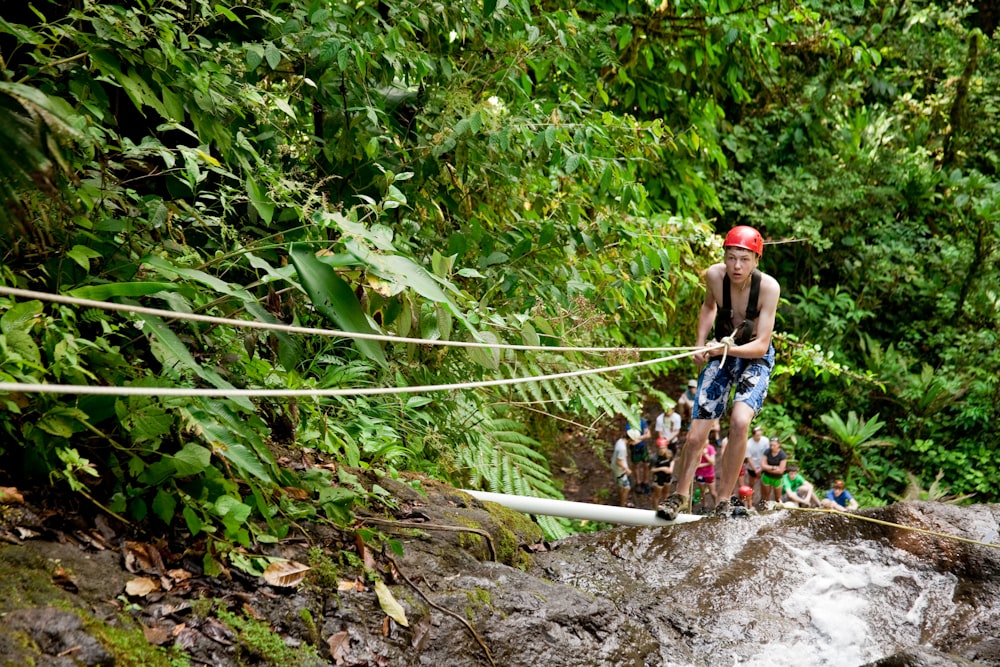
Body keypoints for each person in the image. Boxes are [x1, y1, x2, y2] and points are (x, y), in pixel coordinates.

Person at [658, 226, 780, 521]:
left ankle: (724, 499)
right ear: (724, 257)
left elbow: (762, 345)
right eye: (731, 257)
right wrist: (700, 345)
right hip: (719, 351)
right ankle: (680, 495)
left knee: (739, 422)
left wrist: (719, 350)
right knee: (698, 431)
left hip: (753, 357)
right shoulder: (714, 276)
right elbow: (708, 307)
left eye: (744, 259)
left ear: (756, 260)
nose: (737, 266)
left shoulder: (768, 288)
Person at [627, 414, 652, 495]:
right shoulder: (629, 424)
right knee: (636, 466)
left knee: (646, 465)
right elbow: (630, 440)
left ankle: (645, 482)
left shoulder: (642, 421)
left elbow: (648, 434)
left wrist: (638, 439)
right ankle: (638, 482)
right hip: (634, 449)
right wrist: (642, 437)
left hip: (643, 447)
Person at [611, 429, 637, 507]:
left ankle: (621, 499)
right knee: (626, 488)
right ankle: (622, 506)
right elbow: (618, 462)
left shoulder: (620, 441)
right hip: (620, 471)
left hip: (616, 469)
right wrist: (627, 469)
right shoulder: (622, 448)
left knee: (621, 486)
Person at [759, 436, 787, 505]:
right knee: (766, 495)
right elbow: (763, 465)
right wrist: (774, 468)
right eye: (771, 445)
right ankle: (765, 509)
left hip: (777, 478)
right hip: (767, 477)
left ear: (778, 445)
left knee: (777, 497)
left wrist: (768, 468)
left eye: (774, 445)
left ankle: (778, 510)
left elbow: (781, 470)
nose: (772, 447)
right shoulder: (767, 452)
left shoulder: (782, 455)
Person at [744, 425, 769, 499]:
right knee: (751, 483)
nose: (759, 437)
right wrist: (755, 470)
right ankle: (750, 498)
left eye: (760, 435)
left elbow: (766, 454)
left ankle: (763, 498)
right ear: (753, 435)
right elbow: (749, 458)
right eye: (757, 435)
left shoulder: (765, 440)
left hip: (763, 465)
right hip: (752, 467)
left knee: (763, 483)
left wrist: (761, 468)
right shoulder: (749, 444)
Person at [693, 440, 718, 512]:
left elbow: (713, 462)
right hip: (699, 474)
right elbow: (696, 465)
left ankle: (717, 504)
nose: (706, 445)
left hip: (709, 474)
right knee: (702, 491)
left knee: (712, 492)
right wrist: (708, 463)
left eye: (707, 443)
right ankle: (704, 505)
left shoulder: (710, 448)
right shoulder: (697, 449)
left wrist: (705, 455)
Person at [649, 437, 674, 509]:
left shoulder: (669, 453)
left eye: (663, 448)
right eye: (660, 448)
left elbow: (672, 460)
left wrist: (671, 468)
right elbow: (651, 469)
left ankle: (666, 508)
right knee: (657, 496)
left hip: (667, 476)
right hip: (658, 478)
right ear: (657, 448)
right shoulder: (654, 458)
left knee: (666, 493)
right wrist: (662, 469)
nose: (662, 450)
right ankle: (655, 510)